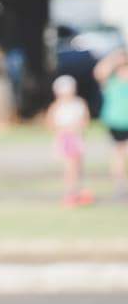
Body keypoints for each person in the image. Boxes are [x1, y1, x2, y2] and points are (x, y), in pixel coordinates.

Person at [46, 75, 93, 207]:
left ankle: (78, 192)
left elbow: (86, 121)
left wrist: (78, 128)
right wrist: (66, 129)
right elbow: (50, 124)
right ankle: (70, 193)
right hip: (65, 139)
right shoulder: (56, 106)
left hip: (77, 138)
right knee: (70, 167)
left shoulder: (79, 103)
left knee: (78, 167)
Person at [94, 50, 128, 199]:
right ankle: (120, 185)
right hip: (115, 122)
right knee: (118, 154)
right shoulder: (111, 80)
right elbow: (99, 72)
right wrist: (115, 57)